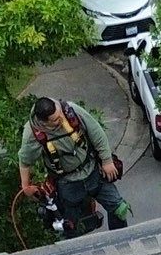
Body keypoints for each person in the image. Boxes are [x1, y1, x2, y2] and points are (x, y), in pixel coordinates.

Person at [17, 96, 129, 236]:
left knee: (120, 208)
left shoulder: (71, 111)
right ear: (44, 122)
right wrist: (26, 186)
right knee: (69, 227)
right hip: (67, 184)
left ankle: (120, 239)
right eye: (56, 120)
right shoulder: (32, 133)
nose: (61, 119)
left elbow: (97, 133)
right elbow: (25, 161)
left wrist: (107, 161)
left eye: (59, 114)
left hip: (92, 171)